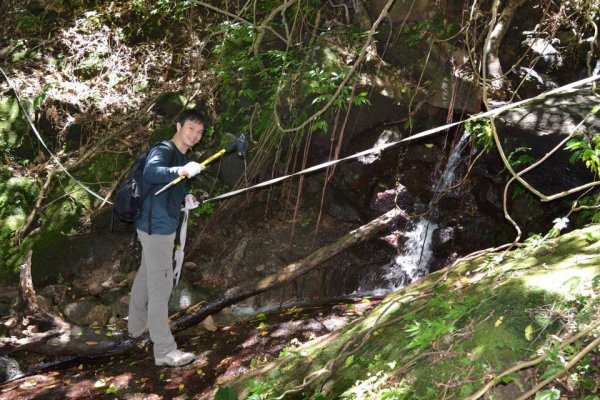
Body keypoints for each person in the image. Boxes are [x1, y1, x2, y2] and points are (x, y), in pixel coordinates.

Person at [127, 109, 205, 367]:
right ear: (179, 125)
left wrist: (186, 198)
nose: (195, 135)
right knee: (161, 288)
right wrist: (181, 171)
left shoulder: (181, 155)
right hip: (156, 228)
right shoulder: (164, 149)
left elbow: (170, 189)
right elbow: (152, 173)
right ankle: (163, 350)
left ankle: (135, 328)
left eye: (199, 132)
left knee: (146, 275)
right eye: (191, 128)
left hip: (160, 226)